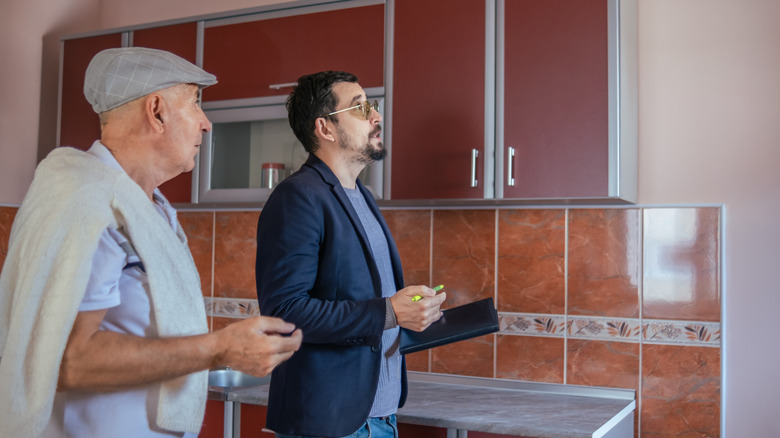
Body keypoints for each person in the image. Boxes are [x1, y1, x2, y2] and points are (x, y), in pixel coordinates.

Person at [0, 47, 302, 438]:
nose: (206, 124)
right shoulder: (88, 201)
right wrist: (218, 348)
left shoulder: (145, 206)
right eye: (195, 104)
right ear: (156, 111)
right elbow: (68, 360)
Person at [255, 71, 447, 438]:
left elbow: (367, 303)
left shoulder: (363, 197)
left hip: (379, 416)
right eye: (360, 107)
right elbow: (285, 313)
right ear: (325, 129)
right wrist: (389, 311)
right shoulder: (298, 197)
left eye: (371, 105)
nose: (376, 116)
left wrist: (412, 311)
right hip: (331, 422)